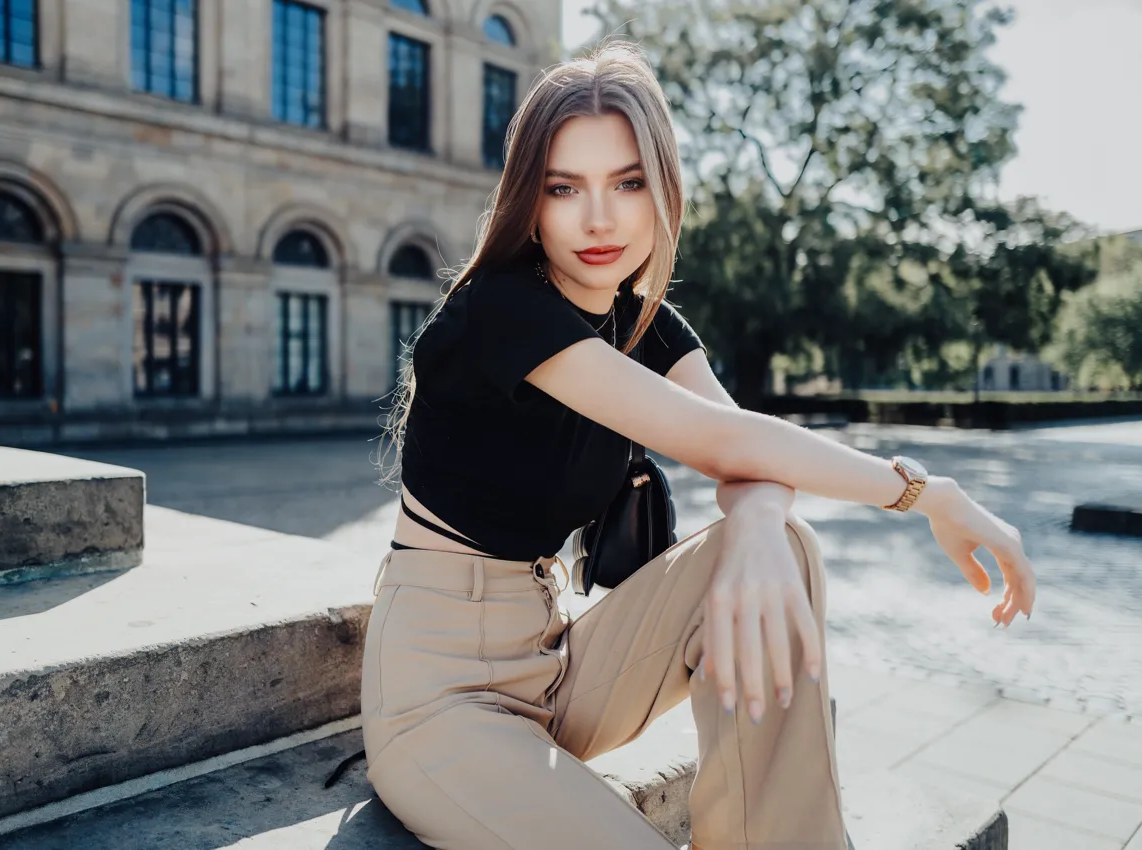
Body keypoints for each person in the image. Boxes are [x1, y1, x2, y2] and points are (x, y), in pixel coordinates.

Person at [362, 41, 1036, 850]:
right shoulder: (501, 312)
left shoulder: (642, 322)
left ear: (663, 191)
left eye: (628, 182)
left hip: (556, 665)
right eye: (564, 187)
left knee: (784, 540)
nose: (599, 218)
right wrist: (926, 493)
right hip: (439, 696)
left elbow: (745, 450)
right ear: (528, 204)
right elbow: (726, 439)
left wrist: (753, 527)